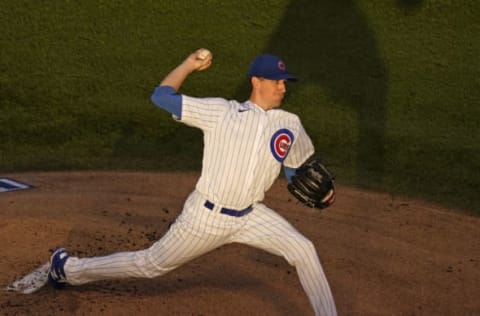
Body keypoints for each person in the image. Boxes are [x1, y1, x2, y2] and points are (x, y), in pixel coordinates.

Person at [48, 49, 337, 316]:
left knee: (303, 250)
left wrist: (320, 194)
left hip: (251, 216)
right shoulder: (221, 112)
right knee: (150, 265)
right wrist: (188, 64)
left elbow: (296, 167)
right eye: (276, 81)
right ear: (256, 81)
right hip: (205, 219)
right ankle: (68, 269)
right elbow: (161, 97)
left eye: (285, 82)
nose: (282, 88)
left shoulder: (290, 123)